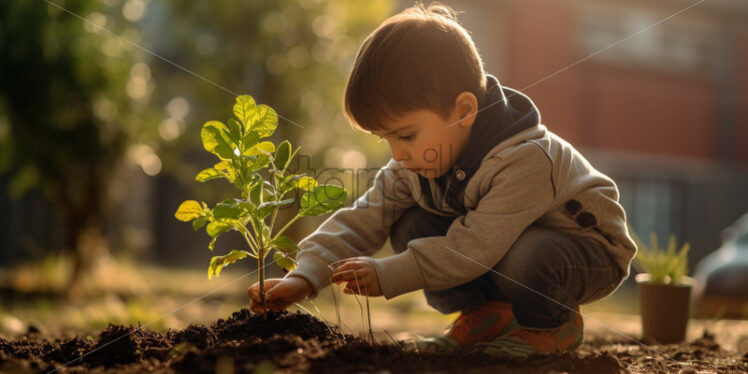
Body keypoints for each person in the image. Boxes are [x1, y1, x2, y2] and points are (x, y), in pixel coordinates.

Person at [248, 2, 636, 357]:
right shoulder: (418, 162)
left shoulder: (526, 159)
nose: (396, 154)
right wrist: (306, 275)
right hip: (506, 244)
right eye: (385, 140)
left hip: (585, 254)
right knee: (410, 223)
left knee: (528, 256)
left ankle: (552, 325)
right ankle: (490, 315)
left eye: (405, 135)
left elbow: (474, 247)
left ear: (463, 110)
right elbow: (365, 216)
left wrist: (388, 273)